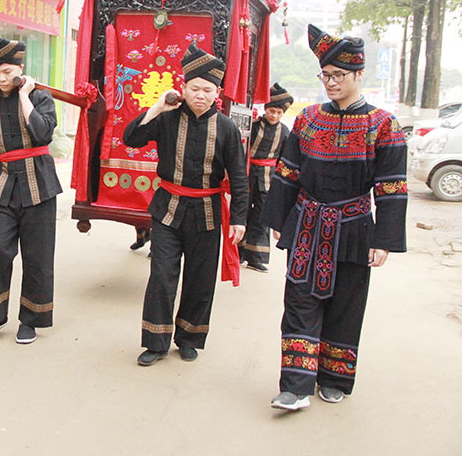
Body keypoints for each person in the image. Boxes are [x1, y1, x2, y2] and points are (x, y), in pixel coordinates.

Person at [264, 25, 407, 411]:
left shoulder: (383, 126)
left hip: (355, 226)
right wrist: (278, 217)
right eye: (325, 75)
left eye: (338, 76)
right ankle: (295, 385)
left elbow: (392, 187)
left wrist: (384, 239)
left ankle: (333, 377)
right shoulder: (308, 119)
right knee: (298, 300)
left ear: (359, 75)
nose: (330, 82)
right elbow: (288, 171)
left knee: (346, 303)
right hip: (308, 223)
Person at [123, 43, 248, 366]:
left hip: (207, 213)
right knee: (162, 275)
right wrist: (157, 107)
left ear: (217, 91)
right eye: (194, 88)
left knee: (199, 278)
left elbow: (239, 177)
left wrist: (239, 219)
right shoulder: (167, 118)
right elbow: (131, 138)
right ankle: (156, 340)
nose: (200, 95)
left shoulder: (227, 128)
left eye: (207, 90)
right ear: (183, 87)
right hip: (167, 210)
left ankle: (189, 337)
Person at [0, 33, 62, 345]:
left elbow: (42, 134)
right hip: (3, 186)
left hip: (40, 186)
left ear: (20, 68)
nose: (2, 78)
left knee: (37, 256)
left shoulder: (41, 98)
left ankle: (30, 319)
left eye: (8, 72)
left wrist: (25, 96)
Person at [238, 84, 292, 272]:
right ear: (265, 109)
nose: (274, 116)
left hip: (269, 178)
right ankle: (238, 253)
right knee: (242, 213)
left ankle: (256, 258)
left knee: (262, 217)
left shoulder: (285, 132)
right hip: (248, 175)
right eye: (271, 111)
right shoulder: (252, 127)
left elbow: (286, 159)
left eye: (278, 112)